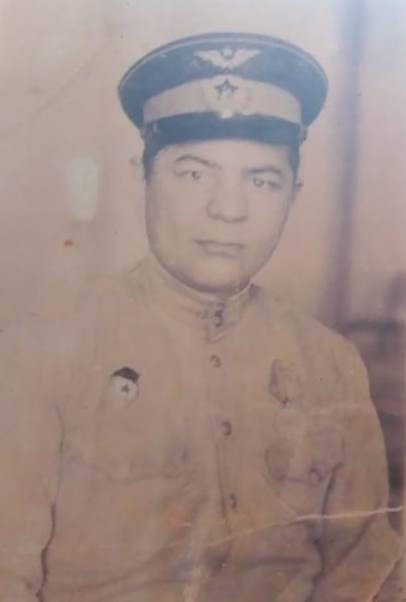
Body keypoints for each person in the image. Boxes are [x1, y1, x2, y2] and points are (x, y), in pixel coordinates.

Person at [0, 32, 402, 602]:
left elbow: (369, 572)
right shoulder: (44, 349)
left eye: (261, 181)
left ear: (292, 195)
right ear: (141, 177)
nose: (228, 209)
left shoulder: (330, 363)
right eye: (194, 173)